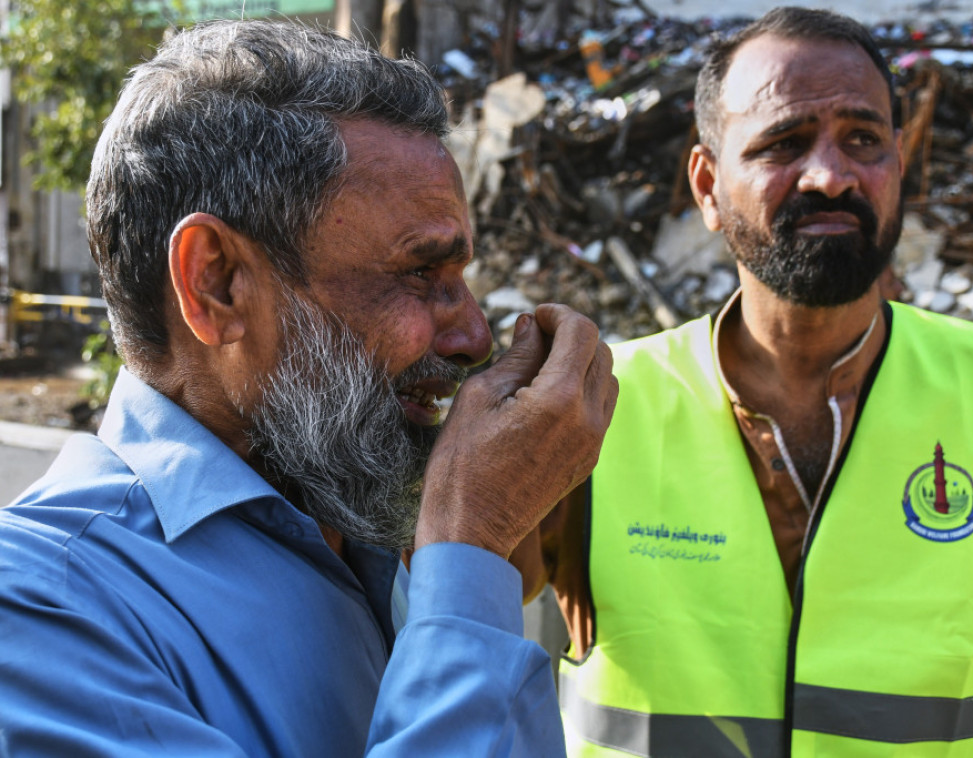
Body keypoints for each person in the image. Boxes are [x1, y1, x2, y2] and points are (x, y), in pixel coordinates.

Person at [0, 19, 618, 757]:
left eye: (462, 278)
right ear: (217, 283)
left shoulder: (361, 509)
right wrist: (469, 554)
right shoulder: (45, 606)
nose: (475, 337)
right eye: (420, 273)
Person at [517, 7, 973, 756]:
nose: (829, 175)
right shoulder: (593, 407)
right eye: (784, 143)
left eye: (864, 139)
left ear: (899, 163)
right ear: (708, 186)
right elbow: (462, 642)